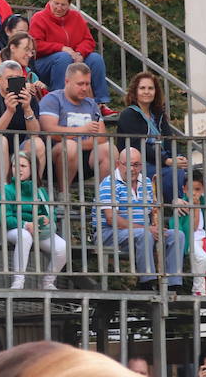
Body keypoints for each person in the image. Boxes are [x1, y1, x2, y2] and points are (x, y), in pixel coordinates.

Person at [96, 147, 184, 289]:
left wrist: (156, 226)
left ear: (142, 165)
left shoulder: (147, 182)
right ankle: (146, 282)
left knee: (176, 235)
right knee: (145, 234)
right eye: (128, 164)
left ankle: (173, 284)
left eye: (136, 165)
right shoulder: (109, 183)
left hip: (140, 232)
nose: (132, 169)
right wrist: (148, 229)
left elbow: (151, 212)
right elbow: (111, 219)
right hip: (109, 234)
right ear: (118, 164)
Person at [29, 0, 109, 105]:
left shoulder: (76, 17)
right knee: (63, 57)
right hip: (45, 63)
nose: (59, 8)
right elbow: (36, 45)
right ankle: (59, 100)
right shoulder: (39, 18)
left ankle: (101, 102)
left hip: (73, 58)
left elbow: (88, 40)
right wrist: (61, 48)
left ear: (69, 4)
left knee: (95, 59)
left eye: (63, 5)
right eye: (56, 3)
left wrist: (79, 53)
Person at [117, 71, 189, 201]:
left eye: (150, 88)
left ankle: (187, 213)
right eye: (142, 88)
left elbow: (168, 139)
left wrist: (179, 157)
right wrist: (167, 160)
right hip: (140, 164)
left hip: (161, 161)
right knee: (176, 174)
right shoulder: (128, 115)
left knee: (191, 174)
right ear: (135, 91)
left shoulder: (158, 114)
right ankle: (178, 207)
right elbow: (138, 145)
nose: (147, 92)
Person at [0, 149, 65, 289]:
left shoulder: (40, 190)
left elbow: (50, 213)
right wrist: (25, 224)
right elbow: (4, 218)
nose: (18, 169)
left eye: (23, 166)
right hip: (15, 230)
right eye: (15, 166)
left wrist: (46, 218)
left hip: (38, 231)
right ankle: (18, 281)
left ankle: (47, 282)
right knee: (25, 236)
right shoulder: (7, 190)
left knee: (62, 247)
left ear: (32, 169)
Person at [39, 61, 107, 190]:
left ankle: (105, 200)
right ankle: (63, 196)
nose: (84, 88)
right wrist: (83, 131)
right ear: (67, 81)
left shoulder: (91, 104)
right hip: (55, 159)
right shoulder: (53, 99)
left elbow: (102, 138)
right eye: (80, 84)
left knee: (108, 149)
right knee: (70, 147)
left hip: (85, 157)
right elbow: (50, 131)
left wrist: (76, 142)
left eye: (87, 84)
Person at [0, 60, 43, 183]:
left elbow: (35, 133)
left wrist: (27, 108)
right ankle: (4, 190)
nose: (13, 82)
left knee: (37, 143)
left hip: (20, 147)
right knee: (0, 140)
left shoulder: (29, 99)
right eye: (9, 78)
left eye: (18, 79)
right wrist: (9, 111)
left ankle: (33, 187)